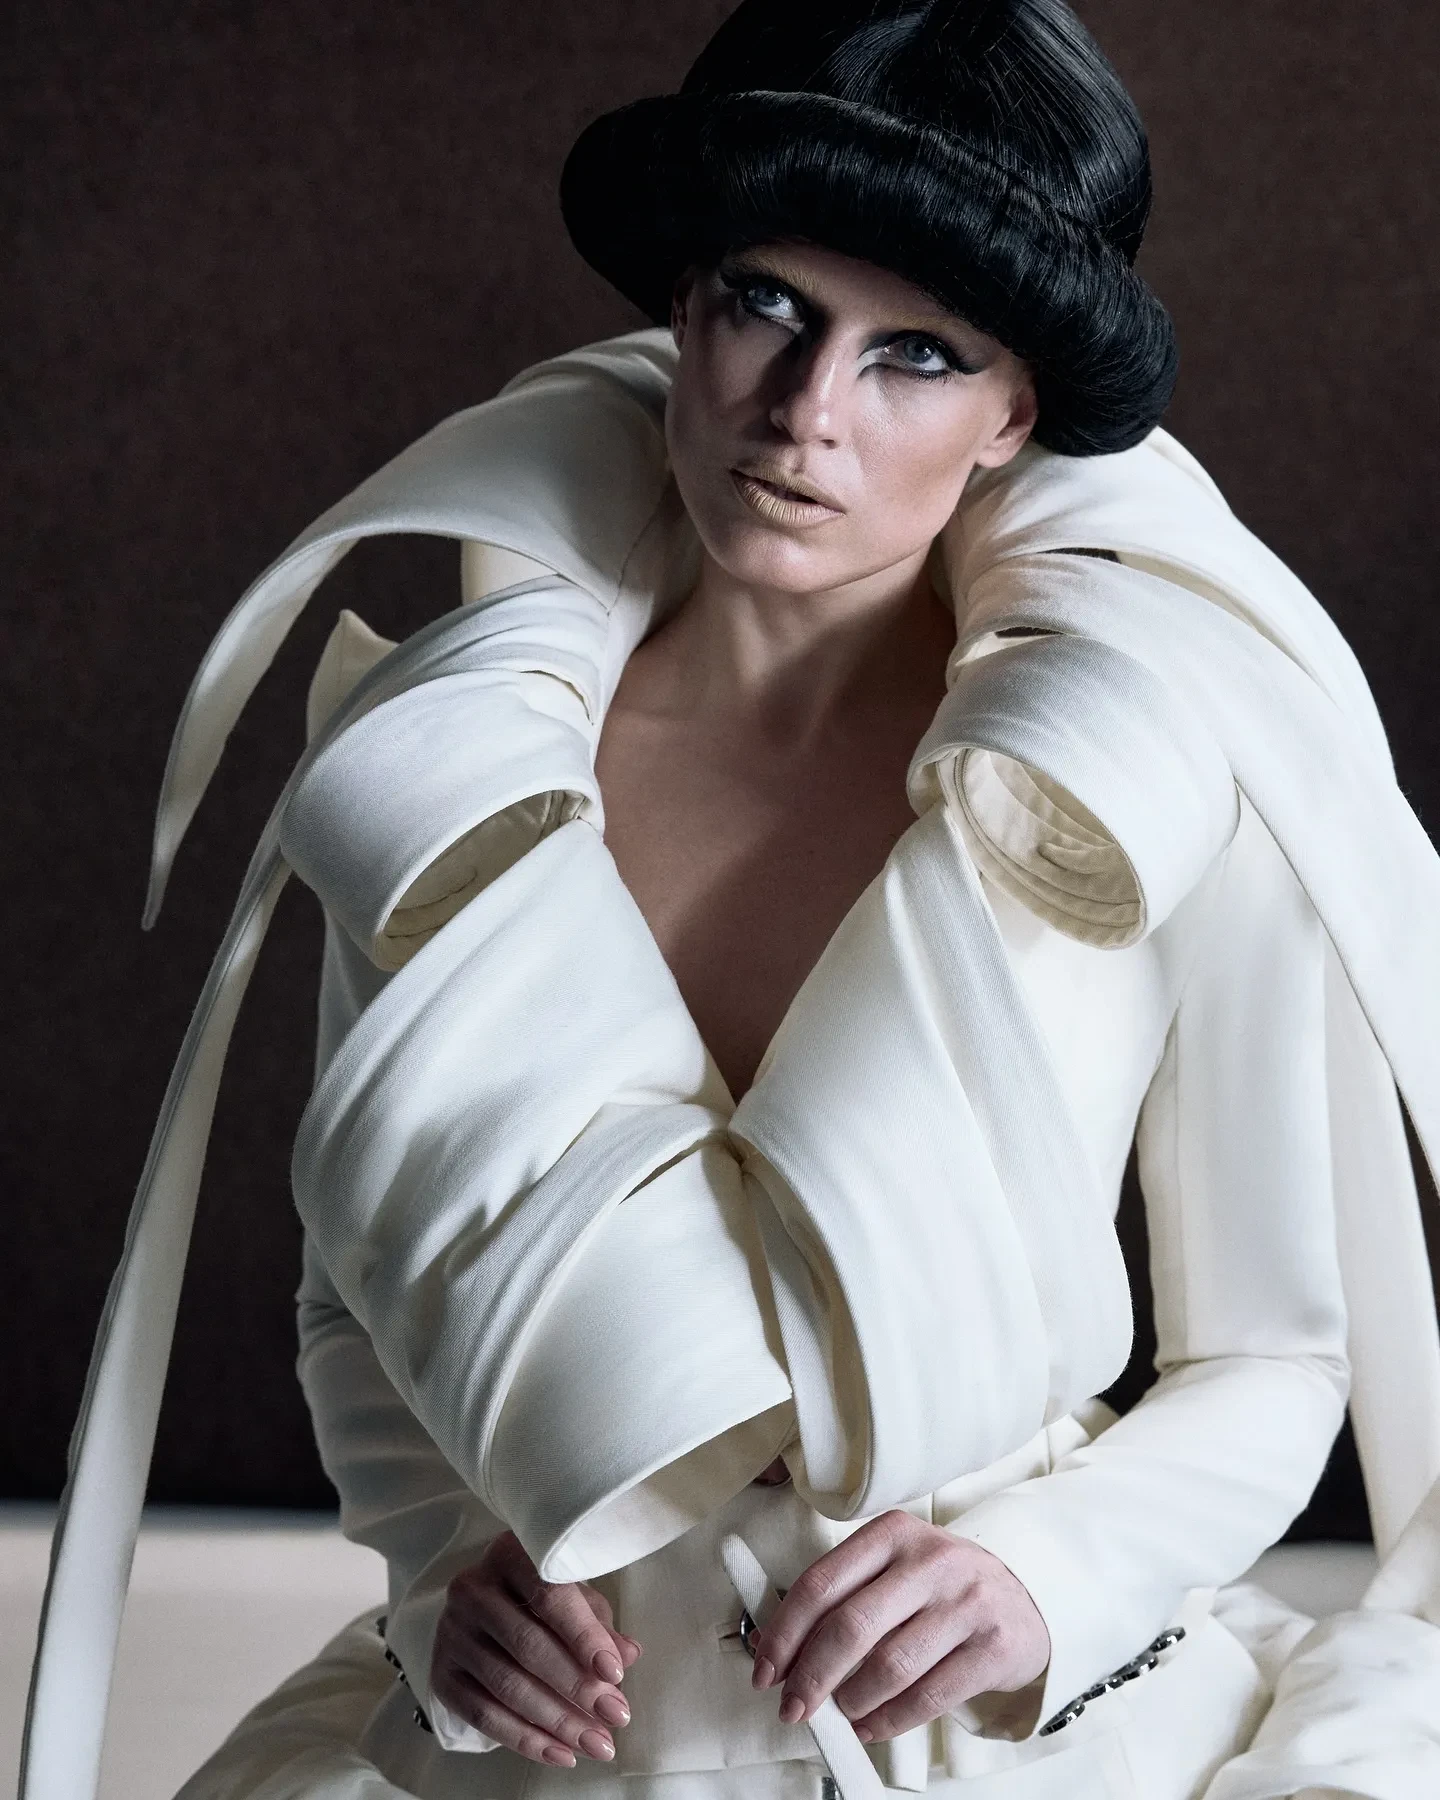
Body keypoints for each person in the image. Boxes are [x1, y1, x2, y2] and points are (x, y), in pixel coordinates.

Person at [21, 4, 1440, 1800]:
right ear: (681, 310)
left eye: (916, 353)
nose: (806, 415)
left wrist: (1042, 1580)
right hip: (559, 1747)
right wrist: (445, 1572)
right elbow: (353, 1297)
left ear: (1014, 414)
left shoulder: (1136, 790)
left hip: (1005, 1746)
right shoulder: (454, 770)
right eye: (769, 304)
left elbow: (1272, 1356)